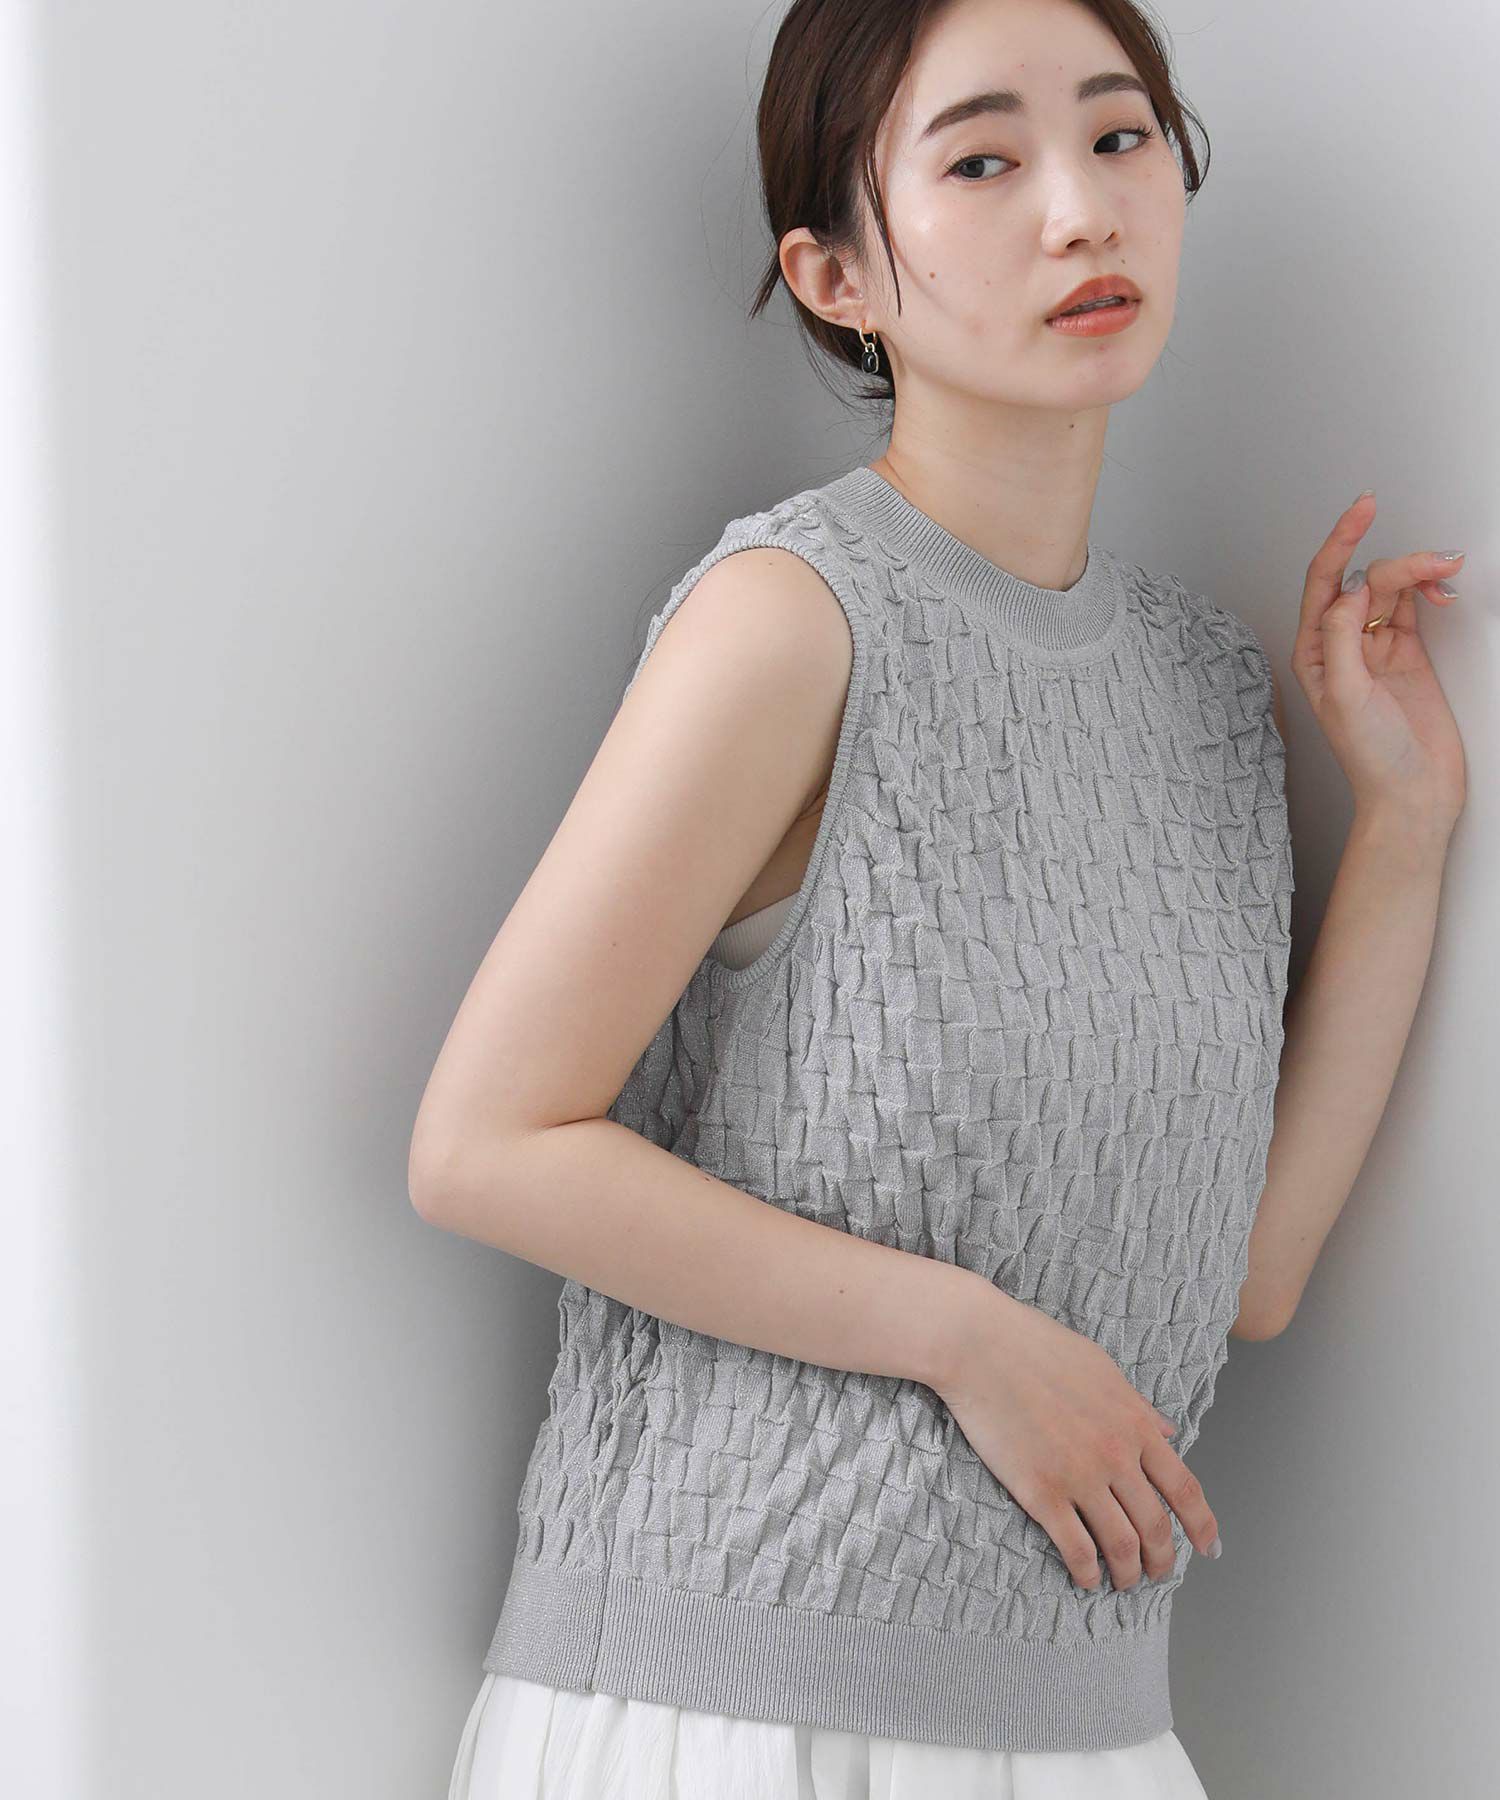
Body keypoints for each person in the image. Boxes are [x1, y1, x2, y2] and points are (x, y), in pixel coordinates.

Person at [412, 1, 1468, 1794]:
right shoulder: (790, 619)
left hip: (1082, 1730)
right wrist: (963, 1339)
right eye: (982, 160)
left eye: (1121, 137)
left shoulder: (1211, 693)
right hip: (733, 1712)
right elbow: (486, 1143)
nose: (1080, 208)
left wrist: (1411, 819)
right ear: (836, 278)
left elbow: (1250, 1271)